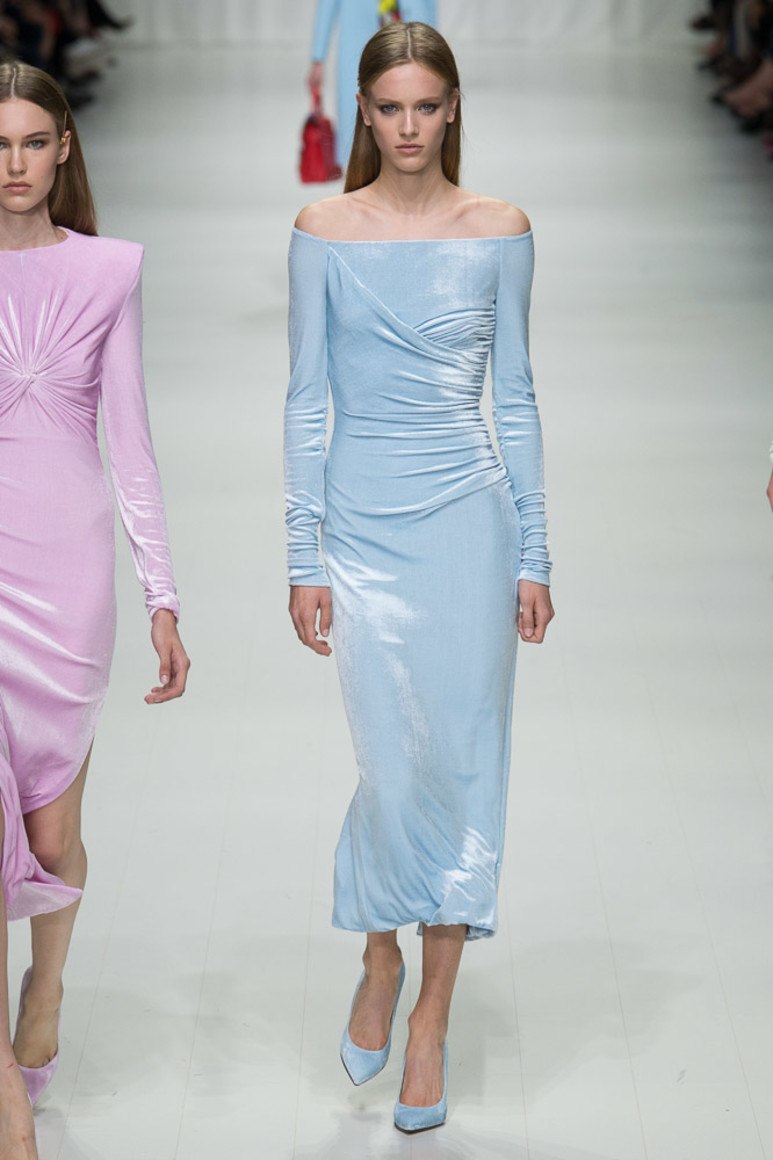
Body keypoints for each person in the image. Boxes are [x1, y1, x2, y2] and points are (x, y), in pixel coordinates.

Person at [285, 21, 554, 1133]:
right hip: (361, 528)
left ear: (452, 110)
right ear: (363, 110)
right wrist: (300, 552)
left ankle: (432, 1012)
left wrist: (533, 550)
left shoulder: (499, 229)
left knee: (462, 764)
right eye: (388, 108)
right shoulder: (322, 230)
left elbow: (516, 395)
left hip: (467, 527)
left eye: (425, 108)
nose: (407, 128)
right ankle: (379, 950)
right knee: (390, 764)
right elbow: (305, 398)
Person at [0, 61, 188, 1158]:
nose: (15, 163)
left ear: (64, 147)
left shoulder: (108, 271)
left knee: (53, 831)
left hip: (67, 576)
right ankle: (5, 1091)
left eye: (33, 141)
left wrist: (163, 593)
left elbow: (133, 442)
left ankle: (47, 985)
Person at [308, 0, 437, 169]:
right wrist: (318, 57)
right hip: (358, 41)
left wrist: (433, 50)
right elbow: (327, 5)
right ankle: (360, 174)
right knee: (357, 117)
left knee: (408, 115)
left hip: (411, 42)